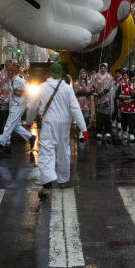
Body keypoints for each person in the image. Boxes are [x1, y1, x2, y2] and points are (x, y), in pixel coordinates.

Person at [37, 62, 87, 199]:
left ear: (50, 72)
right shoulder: (67, 89)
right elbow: (75, 108)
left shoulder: (42, 87)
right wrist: (84, 129)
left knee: (47, 150)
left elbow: (33, 105)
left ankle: (47, 184)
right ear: (61, 74)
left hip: (49, 123)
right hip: (64, 124)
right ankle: (63, 180)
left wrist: (29, 122)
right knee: (63, 150)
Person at [0, 65, 33, 151]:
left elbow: (29, 93)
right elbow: (11, 93)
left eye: (9, 72)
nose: (7, 74)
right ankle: (30, 138)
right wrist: (6, 100)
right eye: (7, 72)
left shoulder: (21, 82)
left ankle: (1, 142)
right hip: (13, 105)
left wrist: (28, 105)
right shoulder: (10, 81)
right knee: (16, 127)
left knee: (9, 124)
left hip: (18, 106)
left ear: (14, 73)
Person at [91, 64, 115, 143]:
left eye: (104, 68)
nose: (103, 69)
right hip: (98, 99)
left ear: (106, 68)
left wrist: (104, 93)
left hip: (106, 99)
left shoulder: (109, 77)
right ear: (99, 68)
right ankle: (99, 132)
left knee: (107, 116)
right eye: (101, 68)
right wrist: (96, 92)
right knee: (99, 116)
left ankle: (108, 132)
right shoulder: (95, 76)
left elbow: (111, 87)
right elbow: (93, 86)